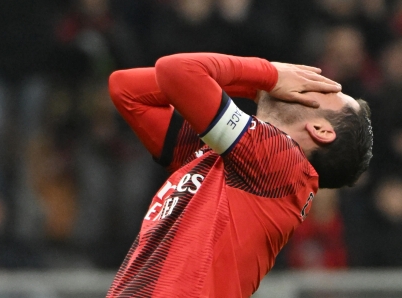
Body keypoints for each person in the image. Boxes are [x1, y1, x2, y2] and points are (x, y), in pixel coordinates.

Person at [106, 52, 373, 297]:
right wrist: (255, 87)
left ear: (321, 130)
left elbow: (176, 71)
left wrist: (269, 75)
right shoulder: (232, 158)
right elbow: (127, 90)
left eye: (327, 89)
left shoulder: (286, 164)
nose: (310, 81)